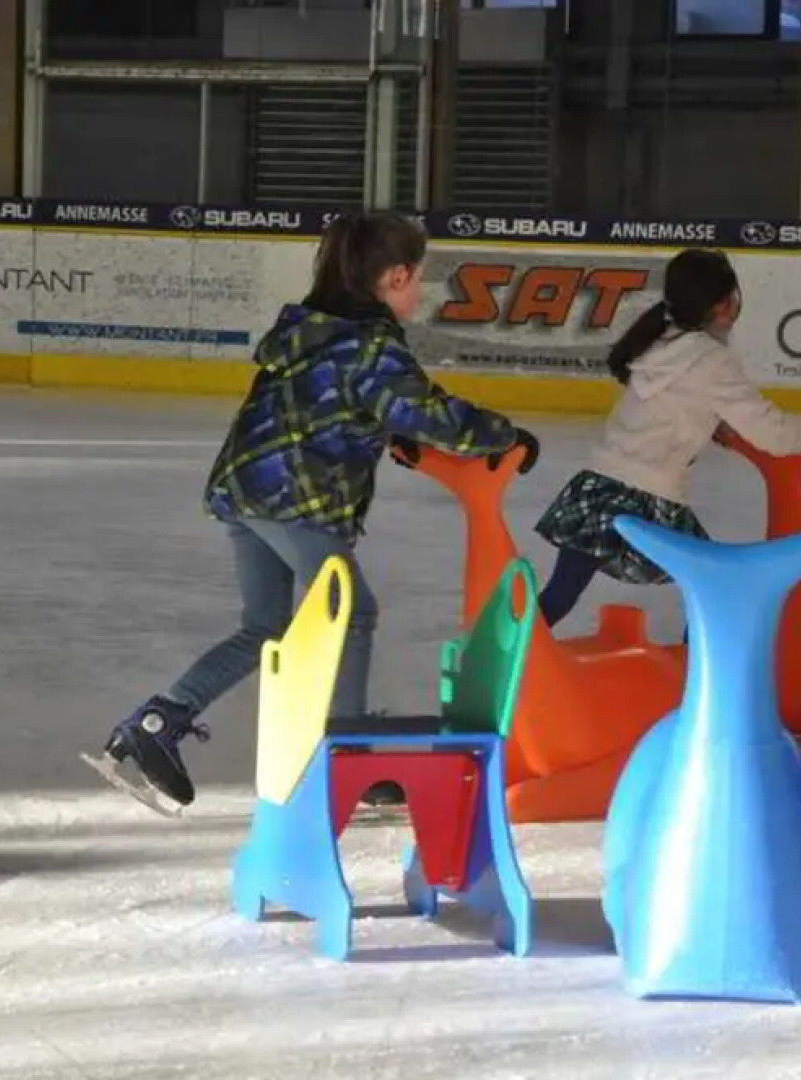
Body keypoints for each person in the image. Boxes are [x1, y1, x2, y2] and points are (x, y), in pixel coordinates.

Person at [94, 210, 537, 813]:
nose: (420, 291)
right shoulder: (372, 344)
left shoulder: (307, 327)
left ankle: (156, 723)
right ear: (397, 276)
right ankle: (345, 755)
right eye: (419, 279)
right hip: (293, 497)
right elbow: (423, 412)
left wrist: (383, 429)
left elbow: (335, 404)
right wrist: (501, 433)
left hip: (245, 487)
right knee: (352, 611)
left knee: (265, 628)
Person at [533, 248, 801, 629]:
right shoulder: (712, 359)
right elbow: (773, 433)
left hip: (596, 487)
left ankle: (498, 656)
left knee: (559, 595)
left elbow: (672, 404)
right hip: (648, 497)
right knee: (716, 589)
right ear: (725, 305)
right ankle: (697, 676)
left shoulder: (658, 339)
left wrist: (713, 426)